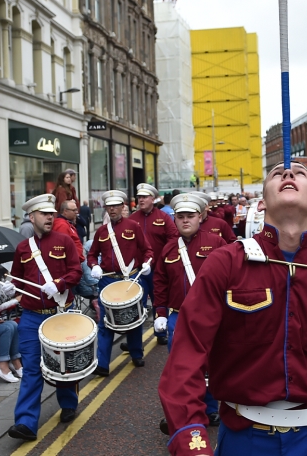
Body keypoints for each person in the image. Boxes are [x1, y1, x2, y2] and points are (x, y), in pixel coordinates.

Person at [158, 162, 307, 456]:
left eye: (300, 173)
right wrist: (191, 440)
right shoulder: (225, 264)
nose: (289, 174)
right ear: (261, 203)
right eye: (277, 174)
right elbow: (185, 357)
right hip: (245, 439)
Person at [7, 193, 83, 440]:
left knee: (64, 364)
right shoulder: (23, 248)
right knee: (31, 368)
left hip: (60, 313)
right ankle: (26, 423)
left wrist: (59, 284)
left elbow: (76, 272)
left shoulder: (64, 240)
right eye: (44, 214)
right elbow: (17, 279)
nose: (50, 217)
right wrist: (10, 288)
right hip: (31, 316)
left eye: (51, 213)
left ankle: (68, 403)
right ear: (32, 217)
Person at [153, 193, 227, 432]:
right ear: (174, 219)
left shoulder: (216, 243)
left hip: (209, 314)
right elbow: (160, 282)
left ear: (200, 217)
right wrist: (160, 313)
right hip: (178, 316)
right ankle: (184, 409)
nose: (185, 220)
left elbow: (230, 277)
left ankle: (210, 408)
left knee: (210, 363)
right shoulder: (168, 249)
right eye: (181, 216)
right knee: (180, 366)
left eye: (190, 216)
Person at [88, 190, 152, 375]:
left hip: (130, 278)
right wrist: (94, 265)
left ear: (123, 207)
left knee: (133, 318)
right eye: (109, 206)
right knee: (105, 321)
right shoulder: (101, 231)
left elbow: (147, 249)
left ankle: (136, 353)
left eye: (116, 206)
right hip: (108, 280)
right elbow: (92, 254)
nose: (112, 209)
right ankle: (102, 364)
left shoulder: (133, 226)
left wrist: (147, 263)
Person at [129, 184, 179, 346]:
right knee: (137, 305)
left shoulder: (163, 217)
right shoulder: (132, 219)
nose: (141, 200)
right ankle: (134, 341)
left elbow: (173, 239)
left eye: (144, 197)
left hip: (158, 268)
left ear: (153, 199)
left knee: (159, 300)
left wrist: (165, 259)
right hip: (137, 270)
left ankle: (161, 331)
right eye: (139, 197)